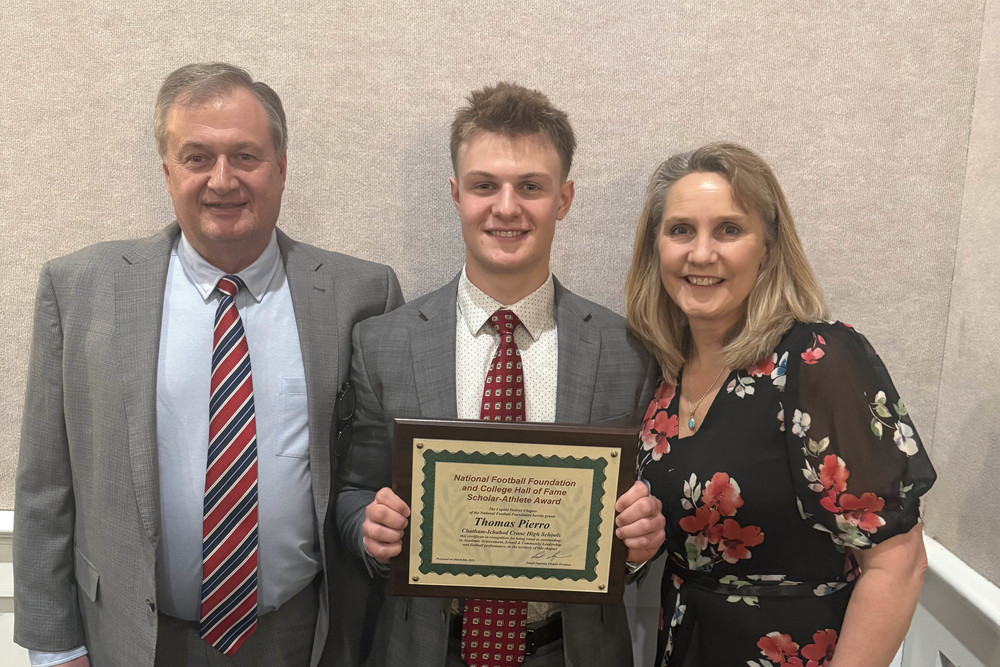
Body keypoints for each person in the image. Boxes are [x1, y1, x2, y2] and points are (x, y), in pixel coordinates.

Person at [13, 62, 403, 667]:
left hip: (299, 635)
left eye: (245, 156)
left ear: (280, 167)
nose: (223, 180)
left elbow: (373, 473)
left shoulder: (362, 294)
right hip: (130, 639)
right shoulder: (80, 289)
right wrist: (54, 646)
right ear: (167, 171)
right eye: (197, 157)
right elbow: (45, 483)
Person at [335, 82, 666, 667]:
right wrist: (369, 526)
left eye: (531, 187)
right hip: (425, 649)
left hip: (571, 651)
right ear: (456, 194)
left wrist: (639, 544)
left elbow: (639, 511)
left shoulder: (629, 350)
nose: (507, 207)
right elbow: (352, 491)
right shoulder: (382, 343)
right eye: (484, 185)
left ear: (563, 199)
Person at [623, 142, 937, 666]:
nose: (701, 254)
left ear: (768, 247)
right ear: (655, 248)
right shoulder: (663, 376)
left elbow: (898, 565)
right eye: (681, 230)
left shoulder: (816, 358)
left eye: (729, 229)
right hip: (685, 643)